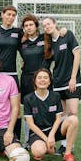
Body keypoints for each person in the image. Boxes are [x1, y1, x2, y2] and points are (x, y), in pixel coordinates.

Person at [42, 16, 81, 155]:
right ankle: (64, 145)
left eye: (48, 24)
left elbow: (77, 55)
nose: (47, 26)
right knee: (62, 114)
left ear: (54, 24)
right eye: (44, 25)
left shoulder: (67, 35)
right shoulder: (49, 44)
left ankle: (70, 145)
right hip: (57, 83)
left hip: (71, 81)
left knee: (73, 113)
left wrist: (73, 78)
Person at [23, 68, 79, 161]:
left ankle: (67, 154)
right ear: (35, 81)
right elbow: (31, 124)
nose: (42, 80)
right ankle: (44, 147)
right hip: (37, 133)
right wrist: (46, 139)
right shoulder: (28, 98)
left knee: (73, 119)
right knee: (38, 152)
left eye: (45, 78)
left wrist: (52, 135)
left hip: (53, 130)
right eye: (39, 78)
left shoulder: (55, 96)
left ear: (49, 82)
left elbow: (58, 119)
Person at [0, 5, 23, 140]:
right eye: (8, 14)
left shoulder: (18, 32)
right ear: (2, 14)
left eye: (13, 15)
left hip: (12, 74)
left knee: (16, 109)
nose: (11, 17)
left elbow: (28, 42)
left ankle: (16, 138)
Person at [18, 14, 51, 143]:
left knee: (46, 108)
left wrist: (63, 30)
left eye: (31, 24)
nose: (28, 27)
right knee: (29, 110)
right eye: (26, 26)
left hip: (44, 79)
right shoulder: (22, 43)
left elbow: (57, 34)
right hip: (27, 79)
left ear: (36, 26)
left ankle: (49, 138)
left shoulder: (46, 38)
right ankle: (27, 140)